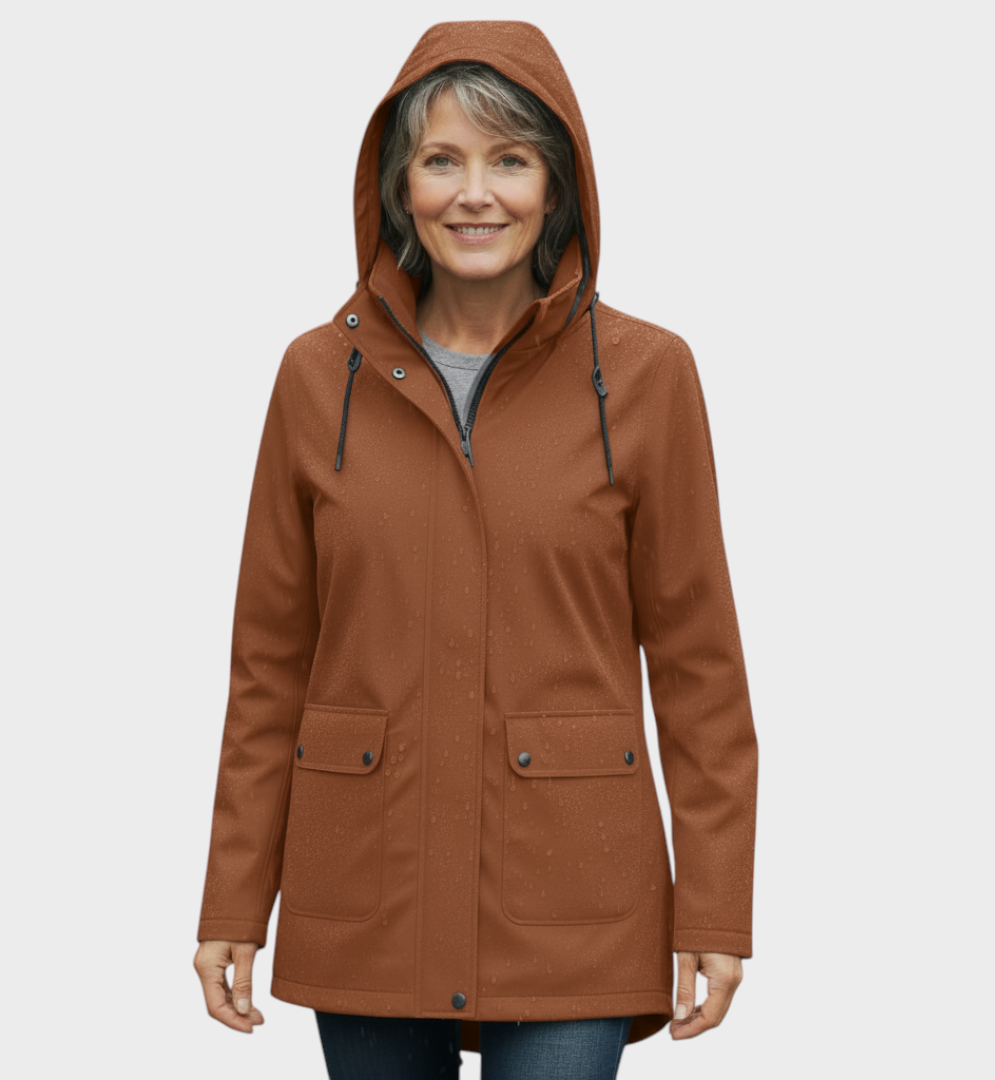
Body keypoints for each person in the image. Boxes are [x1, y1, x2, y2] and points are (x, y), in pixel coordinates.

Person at [193, 20, 759, 1080]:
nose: (475, 195)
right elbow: (268, 665)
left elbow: (700, 669)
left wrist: (716, 908)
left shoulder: (647, 376)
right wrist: (233, 899)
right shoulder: (317, 378)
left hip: (572, 894)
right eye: (441, 160)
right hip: (367, 885)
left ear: (558, 186)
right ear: (398, 186)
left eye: (510, 160)